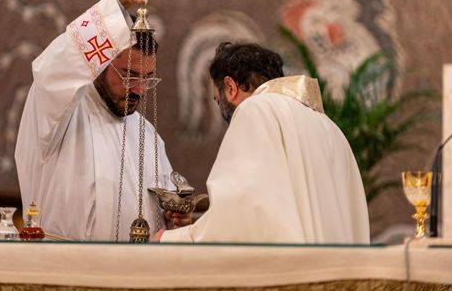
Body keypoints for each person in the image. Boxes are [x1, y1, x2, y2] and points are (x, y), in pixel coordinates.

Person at [15, 0, 190, 241]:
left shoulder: (148, 136)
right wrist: (115, 5)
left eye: (147, 78)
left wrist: (173, 219)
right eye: (129, 75)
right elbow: (52, 70)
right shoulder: (58, 113)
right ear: (98, 64)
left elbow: (166, 205)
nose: (139, 89)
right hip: (62, 268)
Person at [154, 42, 370, 243]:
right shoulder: (328, 126)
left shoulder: (255, 109)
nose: (221, 109)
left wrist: (174, 238)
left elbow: (244, 208)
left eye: (217, 100)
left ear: (230, 86)